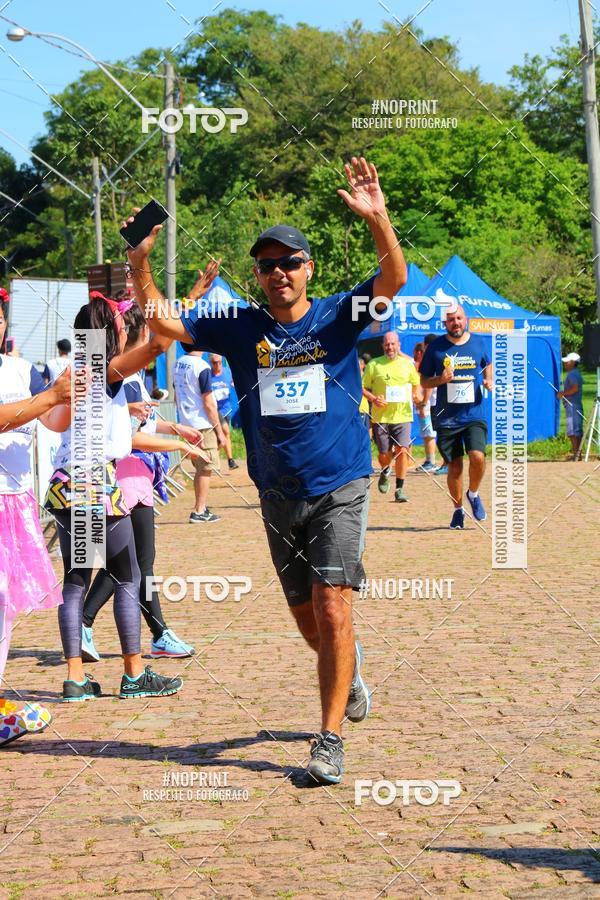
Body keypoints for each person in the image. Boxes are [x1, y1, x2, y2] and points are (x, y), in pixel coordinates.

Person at [125, 155, 407, 785]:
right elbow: (163, 322)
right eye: (267, 264)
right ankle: (350, 671)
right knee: (309, 619)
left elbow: (394, 277)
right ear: (257, 274)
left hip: (340, 483)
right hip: (276, 493)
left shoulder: (339, 315)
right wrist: (141, 264)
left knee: (332, 606)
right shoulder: (240, 326)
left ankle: (328, 738)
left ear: (308, 270)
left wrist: (377, 217)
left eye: (289, 262)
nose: (278, 273)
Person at [44, 292, 184, 701]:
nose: (126, 334)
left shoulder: (72, 372)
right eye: (122, 329)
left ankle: (74, 680)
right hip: (96, 483)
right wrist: (162, 300)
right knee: (127, 575)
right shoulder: (108, 371)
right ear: (109, 334)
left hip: (65, 484)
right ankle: (134, 673)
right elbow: (158, 345)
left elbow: (53, 423)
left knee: (74, 581)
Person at [81, 304, 209, 662]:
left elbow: (144, 424)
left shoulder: (122, 377)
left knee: (133, 564)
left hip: (130, 478)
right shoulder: (126, 376)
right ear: (139, 334)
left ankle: (152, 632)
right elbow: (134, 437)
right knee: (133, 564)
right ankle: (96, 625)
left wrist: (176, 429)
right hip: (129, 479)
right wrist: (179, 443)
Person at [0, 292, 71, 746]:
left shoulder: (21, 370)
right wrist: (50, 395)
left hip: (16, 502)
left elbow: (54, 422)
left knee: (4, 609)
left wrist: (68, 396)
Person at [420, 305, 492, 529]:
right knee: (455, 467)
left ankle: (474, 493)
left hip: (473, 414)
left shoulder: (479, 342)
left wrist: (489, 380)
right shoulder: (436, 348)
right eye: (451, 320)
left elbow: (487, 364)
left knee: (478, 457)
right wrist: (440, 380)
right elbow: (424, 381)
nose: (456, 323)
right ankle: (458, 509)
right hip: (447, 418)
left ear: (465, 319)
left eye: (459, 318)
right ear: (445, 324)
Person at [362, 331, 421, 502]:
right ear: (383, 346)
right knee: (383, 454)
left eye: (393, 344)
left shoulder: (407, 364)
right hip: (381, 417)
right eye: (387, 344)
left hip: (402, 415)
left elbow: (416, 383)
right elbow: (362, 387)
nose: (390, 347)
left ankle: (400, 489)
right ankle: (385, 470)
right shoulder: (374, 365)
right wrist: (374, 398)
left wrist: (416, 395)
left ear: (399, 346)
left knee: (402, 450)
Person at [173, 350, 227, 523]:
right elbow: (208, 402)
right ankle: (199, 510)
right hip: (202, 423)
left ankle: (201, 505)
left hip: (187, 422)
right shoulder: (201, 366)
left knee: (200, 466)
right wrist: (219, 431)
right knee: (206, 467)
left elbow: (176, 395)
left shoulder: (178, 362)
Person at [209, 353, 239, 470]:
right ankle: (230, 460)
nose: (218, 365)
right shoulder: (208, 374)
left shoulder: (227, 372)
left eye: (220, 362)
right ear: (211, 363)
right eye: (215, 363)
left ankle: (209, 456)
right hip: (214, 409)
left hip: (226, 409)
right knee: (226, 431)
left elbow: (234, 381)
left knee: (220, 438)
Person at [413, 338, 438, 473]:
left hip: (427, 405)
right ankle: (430, 460)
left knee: (429, 434)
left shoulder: (428, 364)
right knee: (426, 433)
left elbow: (429, 387)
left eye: (417, 352)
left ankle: (431, 461)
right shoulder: (422, 364)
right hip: (424, 404)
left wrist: (423, 404)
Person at [558, 352, 584, 458]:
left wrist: (562, 394)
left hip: (573, 406)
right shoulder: (576, 373)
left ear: (573, 363)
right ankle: (578, 453)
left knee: (573, 431)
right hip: (575, 405)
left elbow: (575, 388)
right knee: (576, 430)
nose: (565, 364)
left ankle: (576, 454)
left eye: (567, 362)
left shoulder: (572, 374)